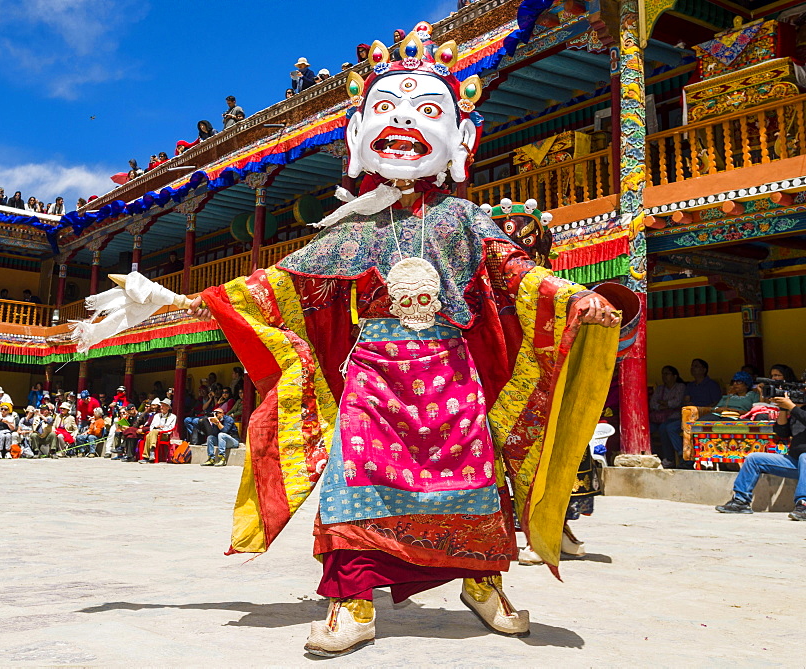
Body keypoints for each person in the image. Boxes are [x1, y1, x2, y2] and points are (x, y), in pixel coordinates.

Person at [73, 23, 630, 657]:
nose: (404, 122)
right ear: (357, 135)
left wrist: (580, 298)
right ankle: (352, 598)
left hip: (450, 373)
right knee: (356, 475)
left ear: (461, 138)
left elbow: (520, 276)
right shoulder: (352, 227)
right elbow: (272, 286)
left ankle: (481, 579)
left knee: (472, 477)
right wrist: (172, 301)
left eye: (426, 110)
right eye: (386, 108)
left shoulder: (466, 219)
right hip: (375, 375)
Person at [716, 392, 806, 520]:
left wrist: (792, 407)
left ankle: (803, 505)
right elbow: (782, 432)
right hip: (794, 462)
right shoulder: (799, 410)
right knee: (754, 459)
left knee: (805, 457)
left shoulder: (797, 410)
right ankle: (740, 502)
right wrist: (783, 409)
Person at [650, 365, 686, 467]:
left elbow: (676, 402)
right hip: (658, 418)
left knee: (664, 428)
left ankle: (669, 458)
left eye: (667, 374)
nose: (664, 376)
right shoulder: (660, 388)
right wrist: (663, 405)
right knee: (646, 429)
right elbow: (652, 403)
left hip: (674, 417)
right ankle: (653, 455)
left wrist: (664, 403)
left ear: (675, 376)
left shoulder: (680, 387)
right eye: (663, 374)